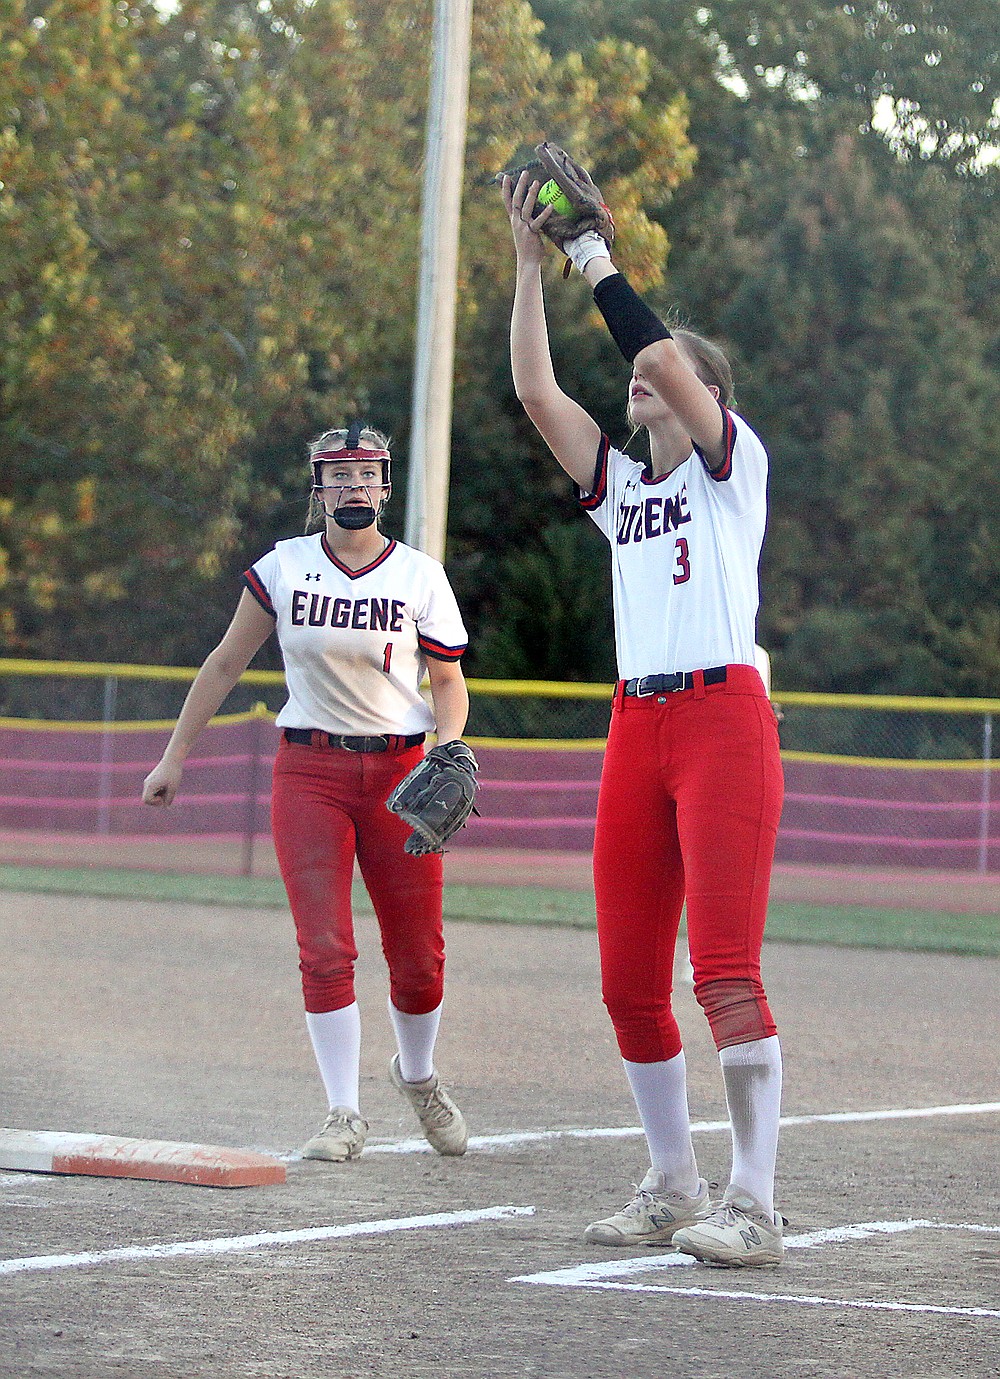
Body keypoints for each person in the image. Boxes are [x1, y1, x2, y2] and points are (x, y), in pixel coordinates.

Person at [501, 167, 786, 1265]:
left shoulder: (731, 468)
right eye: (635, 381)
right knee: (627, 977)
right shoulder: (629, 493)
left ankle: (753, 1199)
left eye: (661, 378)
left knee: (722, 965)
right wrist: (532, 267)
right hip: (638, 729)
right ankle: (674, 1179)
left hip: (722, 720)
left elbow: (661, 353)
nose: (640, 384)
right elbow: (536, 393)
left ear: (708, 398)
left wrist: (599, 265)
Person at [142, 422, 471, 1163]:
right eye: (338, 474)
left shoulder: (418, 575)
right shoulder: (284, 567)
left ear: (386, 486)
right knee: (325, 947)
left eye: (367, 474)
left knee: (418, 957)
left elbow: (449, 682)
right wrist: (174, 756)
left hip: (400, 775)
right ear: (316, 487)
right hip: (310, 771)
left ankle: (416, 1075)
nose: (354, 487)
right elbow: (225, 663)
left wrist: (448, 745)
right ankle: (343, 1111)